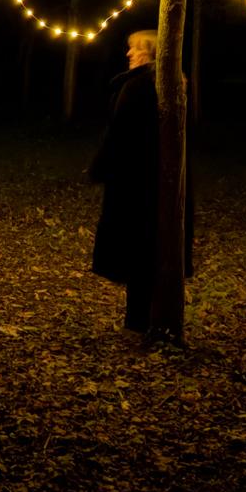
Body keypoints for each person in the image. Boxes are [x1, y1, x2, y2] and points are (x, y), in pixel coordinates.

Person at [88, 28, 191, 332]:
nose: (129, 54)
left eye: (136, 49)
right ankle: (148, 320)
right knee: (149, 251)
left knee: (138, 253)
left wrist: (99, 167)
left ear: (153, 53)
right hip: (157, 180)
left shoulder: (137, 87)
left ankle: (139, 322)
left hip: (134, 182)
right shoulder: (172, 85)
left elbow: (120, 133)